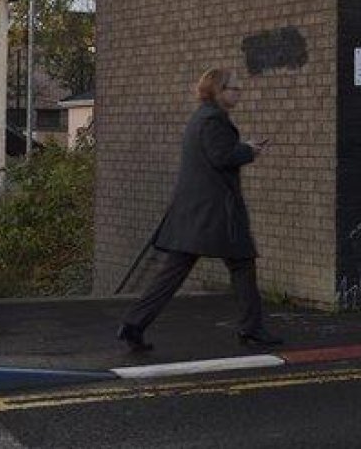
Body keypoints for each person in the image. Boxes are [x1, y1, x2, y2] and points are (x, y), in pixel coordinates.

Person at [116, 68, 282, 352]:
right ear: (219, 91)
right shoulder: (214, 120)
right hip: (216, 212)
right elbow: (221, 157)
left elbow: (213, 154)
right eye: (234, 89)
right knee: (242, 263)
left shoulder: (201, 118)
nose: (238, 93)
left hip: (195, 212)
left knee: (174, 271)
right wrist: (248, 151)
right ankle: (251, 328)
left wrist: (242, 147)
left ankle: (134, 324)